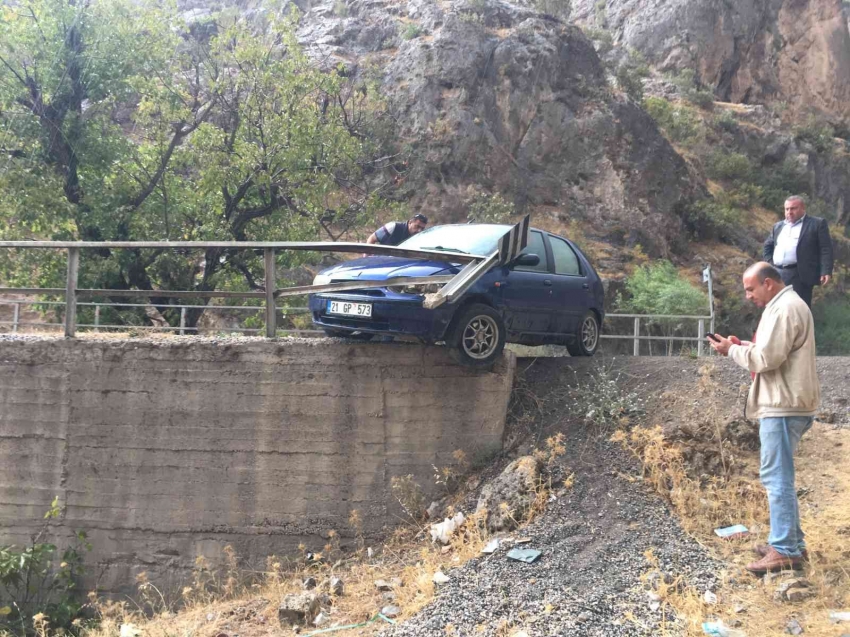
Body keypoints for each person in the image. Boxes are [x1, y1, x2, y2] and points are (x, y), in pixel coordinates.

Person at [708, 262, 819, 575]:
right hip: (789, 401)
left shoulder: (784, 309)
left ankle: (785, 550)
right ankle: (790, 544)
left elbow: (767, 359)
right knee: (779, 473)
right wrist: (743, 346)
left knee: (776, 476)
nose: (747, 296)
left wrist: (732, 350)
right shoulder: (787, 305)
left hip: (783, 405)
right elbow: (772, 351)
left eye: (750, 288)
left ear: (768, 283)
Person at [763, 195, 833, 308]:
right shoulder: (778, 226)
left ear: (803, 208)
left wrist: (826, 270)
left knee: (799, 310)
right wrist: (770, 264)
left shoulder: (817, 224)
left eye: (793, 208)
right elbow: (767, 246)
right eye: (787, 209)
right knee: (776, 308)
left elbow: (825, 249)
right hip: (777, 274)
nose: (789, 212)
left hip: (800, 275)